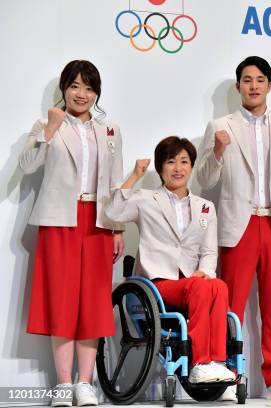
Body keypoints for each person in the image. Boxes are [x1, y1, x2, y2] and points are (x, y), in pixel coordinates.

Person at [198, 56, 271, 401]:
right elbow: (205, 179)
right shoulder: (221, 125)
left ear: (269, 86)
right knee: (230, 305)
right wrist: (217, 151)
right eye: (247, 80)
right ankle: (227, 375)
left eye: (260, 79)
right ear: (238, 87)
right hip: (238, 224)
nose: (253, 86)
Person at [19, 60, 124, 406]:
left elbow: (115, 182)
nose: (82, 94)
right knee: (62, 300)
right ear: (64, 88)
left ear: (97, 93)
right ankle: (63, 384)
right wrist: (48, 130)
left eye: (89, 88)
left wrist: (117, 226)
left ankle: (85, 383)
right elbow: (28, 166)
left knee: (93, 303)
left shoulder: (109, 130)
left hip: (97, 220)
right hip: (59, 220)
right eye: (75, 86)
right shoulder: (48, 124)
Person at [106, 136, 234, 385]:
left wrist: (205, 271)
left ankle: (215, 362)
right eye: (171, 161)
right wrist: (134, 176)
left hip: (191, 282)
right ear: (160, 167)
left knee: (218, 285)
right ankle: (199, 361)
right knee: (201, 286)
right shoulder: (145, 199)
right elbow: (113, 213)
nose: (178, 168)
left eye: (184, 161)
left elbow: (209, 252)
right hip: (158, 283)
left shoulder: (205, 206)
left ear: (192, 166)